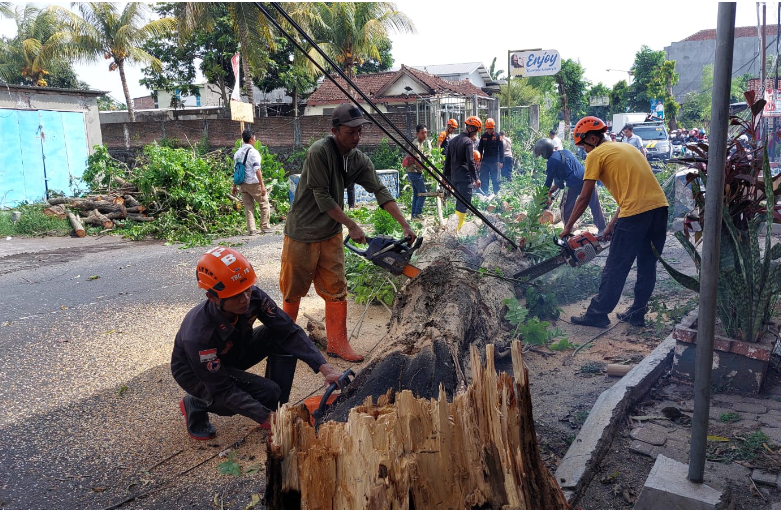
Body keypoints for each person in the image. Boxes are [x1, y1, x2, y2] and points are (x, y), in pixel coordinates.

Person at [280, 103, 415, 362]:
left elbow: (380, 191)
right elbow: (322, 196)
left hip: (330, 234)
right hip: (302, 233)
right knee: (293, 291)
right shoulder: (319, 152)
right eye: (350, 132)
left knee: (337, 289)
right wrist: (351, 225)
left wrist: (404, 225)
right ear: (335, 130)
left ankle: (338, 344)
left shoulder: (358, 159)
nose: (357, 136)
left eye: (359, 131)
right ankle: (283, 345)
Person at [172, 247, 342, 440]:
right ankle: (195, 402)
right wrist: (268, 419)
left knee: (276, 336)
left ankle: (275, 408)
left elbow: (288, 330)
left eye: (247, 290)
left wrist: (325, 368)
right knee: (249, 395)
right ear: (212, 297)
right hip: (197, 373)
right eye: (236, 296)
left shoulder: (251, 295)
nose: (245, 299)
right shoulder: (199, 335)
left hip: (233, 349)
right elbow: (223, 389)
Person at [562, 116, 669, 328]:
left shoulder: (596, 155)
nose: (584, 150)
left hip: (636, 214)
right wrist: (611, 226)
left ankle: (598, 314)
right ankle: (637, 313)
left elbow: (584, 196)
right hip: (660, 208)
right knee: (647, 264)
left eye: (583, 145)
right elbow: (634, 193)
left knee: (616, 265)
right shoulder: (627, 148)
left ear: (592, 139)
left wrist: (568, 227)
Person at [533, 138, 606, 237]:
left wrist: (542, 198)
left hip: (574, 183)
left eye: (541, 154)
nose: (542, 156)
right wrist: (551, 191)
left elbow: (548, 182)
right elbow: (565, 174)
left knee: (565, 207)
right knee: (594, 204)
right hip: (588, 178)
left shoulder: (552, 161)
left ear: (545, 151)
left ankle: (568, 233)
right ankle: (603, 229)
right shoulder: (565, 152)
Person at [444, 116, 482, 231]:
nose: (475, 134)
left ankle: (456, 227)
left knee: (459, 202)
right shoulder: (468, 142)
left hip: (454, 177)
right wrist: (476, 178)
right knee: (464, 203)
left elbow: (447, 160)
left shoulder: (453, 140)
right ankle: (459, 229)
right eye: (475, 131)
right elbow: (470, 162)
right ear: (471, 128)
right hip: (465, 178)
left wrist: (445, 177)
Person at [232, 129, 272, 235]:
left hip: (242, 184)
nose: (255, 139)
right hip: (253, 183)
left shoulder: (238, 153)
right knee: (264, 203)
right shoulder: (253, 152)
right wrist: (262, 185)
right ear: (251, 139)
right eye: (254, 138)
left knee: (248, 207)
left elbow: (236, 170)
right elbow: (257, 169)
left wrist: (234, 186)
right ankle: (264, 226)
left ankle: (251, 229)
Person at [404, 124, 432, 219]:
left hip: (413, 171)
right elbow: (417, 162)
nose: (425, 135)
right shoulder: (416, 144)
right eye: (422, 133)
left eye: (426, 132)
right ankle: (417, 213)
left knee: (417, 194)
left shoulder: (420, 143)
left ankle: (414, 215)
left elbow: (419, 158)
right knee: (423, 192)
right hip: (414, 171)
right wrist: (428, 170)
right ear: (417, 134)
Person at [477, 118, 503, 195]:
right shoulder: (483, 136)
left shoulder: (498, 137)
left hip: (494, 162)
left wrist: (501, 161)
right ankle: (485, 193)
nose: (489, 130)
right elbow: (480, 149)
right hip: (485, 161)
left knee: (495, 178)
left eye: (491, 128)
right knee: (484, 178)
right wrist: (479, 161)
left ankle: (496, 193)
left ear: (493, 128)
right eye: (488, 128)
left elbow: (501, 149)